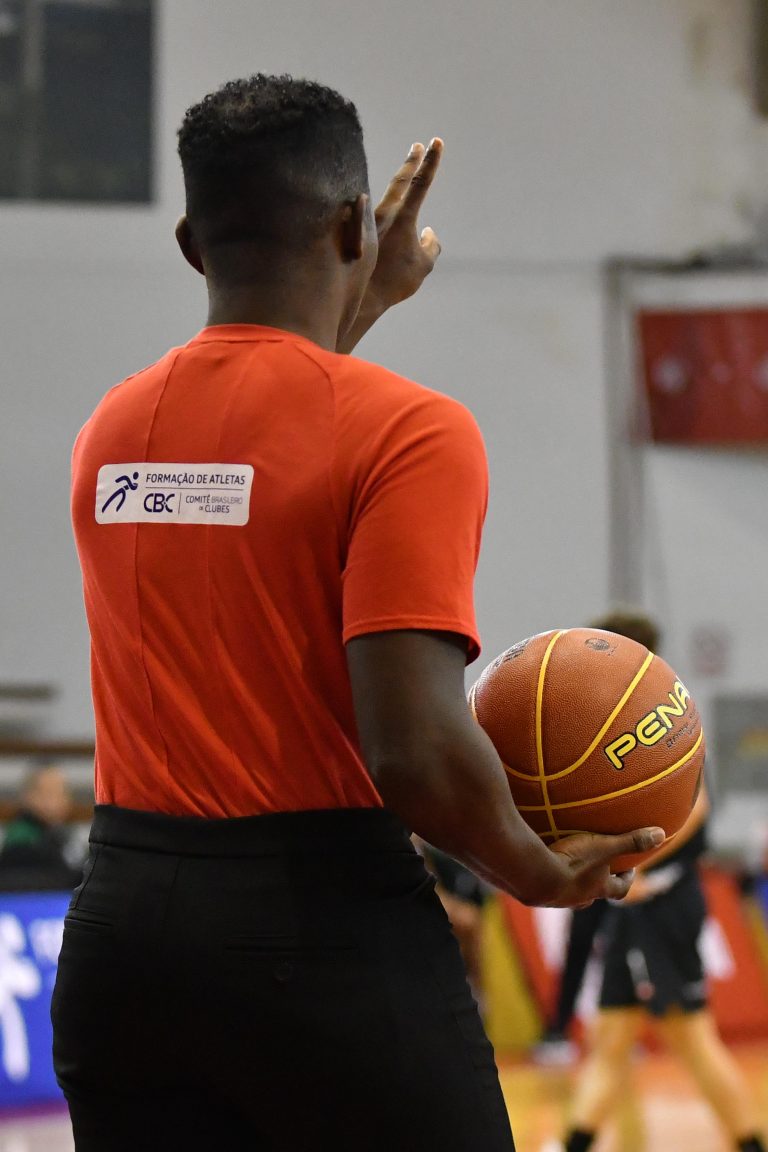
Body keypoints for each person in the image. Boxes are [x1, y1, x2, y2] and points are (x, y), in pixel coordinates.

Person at [52, 75, 664, 1152]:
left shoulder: (114, 431)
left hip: (123, 936)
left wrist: (354, 301)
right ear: (351, 227)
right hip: (319, 931)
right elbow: (413, 750)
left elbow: (261, 445)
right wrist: (535, 869)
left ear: (193, 243)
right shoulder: (410, 432)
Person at [559, 612, 766, 1152]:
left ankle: (749, 1143)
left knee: (692, 1037)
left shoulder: (664, 717)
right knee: (610, 1040)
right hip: (633, 907)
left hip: (664, 902)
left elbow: (697, 810)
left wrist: (636, 865)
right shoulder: (609, 726)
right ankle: (576, 1142)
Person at [534, 610, 664, 1066]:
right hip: (590, 845)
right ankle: (557, 1030)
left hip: (626, 850)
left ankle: (612, 1036)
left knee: (618, 951)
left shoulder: (658, 705)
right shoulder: (587, 702)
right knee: (584, 944)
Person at [0, 763, 82, 891]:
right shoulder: (21, 838)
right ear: (27, 796)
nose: (56, 800)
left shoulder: (62, 834)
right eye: (48, 792)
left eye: (61, 792)